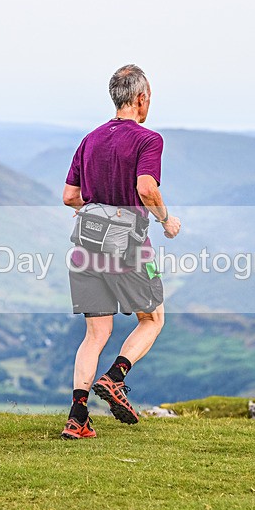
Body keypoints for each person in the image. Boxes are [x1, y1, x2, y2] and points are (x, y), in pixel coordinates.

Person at [60, 64, 181, 439]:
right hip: (129, 249)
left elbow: (69, 197)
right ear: (142, 98)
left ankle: (77, 419)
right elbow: (146, 188)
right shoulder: (148, 140)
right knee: (153, 318)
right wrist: (165, 219)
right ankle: (115, 378)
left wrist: (98, 203)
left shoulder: (91, 139)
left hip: (85, 247)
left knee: (95, 334)